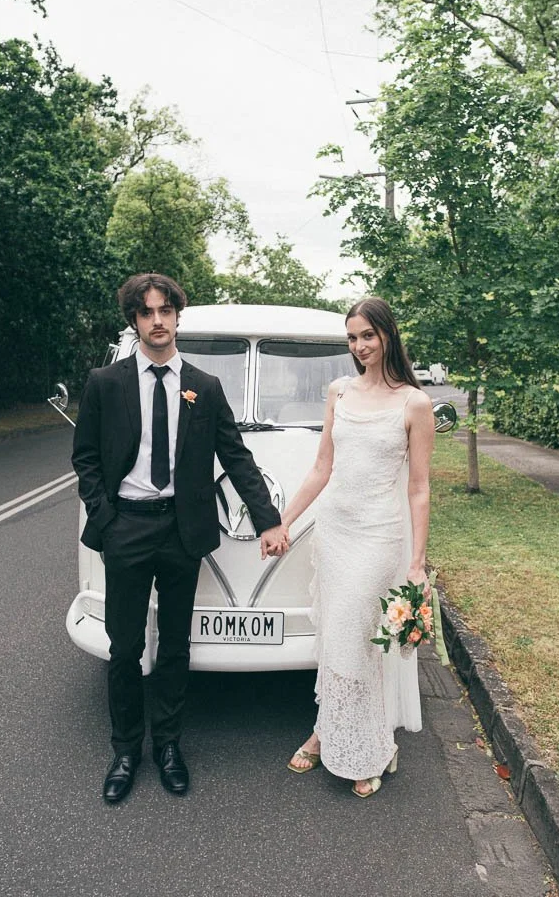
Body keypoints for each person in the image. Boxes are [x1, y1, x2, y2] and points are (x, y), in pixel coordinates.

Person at [72, 273, 288, 804]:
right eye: (147, 313)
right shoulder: (105, 382)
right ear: (135, 321)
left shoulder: (204, 386)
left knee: (174, 645)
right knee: (124, 648)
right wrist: (107, 515)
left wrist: (268, 520)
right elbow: (87, 460)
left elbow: (235, 456)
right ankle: (126, 750)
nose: (158, 320)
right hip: (127, 526)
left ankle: (168, 746)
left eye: (165, 310)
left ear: (177, 316)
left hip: (180, 530)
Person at [282, 297, 434, 797]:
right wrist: (281, 523)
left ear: (387, 334)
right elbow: (322, 468)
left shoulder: (414, 403)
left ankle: (368, 749)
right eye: (352, 337)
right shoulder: (339, 392)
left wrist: (415, 564)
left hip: (377, 538)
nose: (360, 346)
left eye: (368, 335)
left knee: (354, 639)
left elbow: (418, 488)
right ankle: (329, 733)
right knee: (334, 639)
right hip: (335, 531)